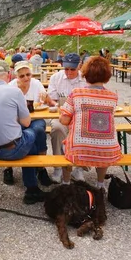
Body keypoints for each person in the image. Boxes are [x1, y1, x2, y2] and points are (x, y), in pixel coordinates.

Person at [0, 59, 48, 204]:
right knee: (36, 129)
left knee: (29, 140)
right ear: (9, 74)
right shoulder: (15, 92)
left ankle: (26, 180)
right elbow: (26, 122)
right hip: (12, 150)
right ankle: (33, 186)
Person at [59, 56, 122, 189]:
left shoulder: (76, 93)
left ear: (85, 74)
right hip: (107, 151)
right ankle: (100, 184)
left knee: (64, 146)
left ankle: (65, 183)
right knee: (102, 144)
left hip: (79, 150)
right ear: (107, 76)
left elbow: (64, 120)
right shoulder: (113, 96)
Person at [46, 53, 88, 183]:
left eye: (72, 69)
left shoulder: (86, 79)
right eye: (66, 69)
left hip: (79, 115)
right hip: (61, 114)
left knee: (86, 129)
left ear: (79, 66)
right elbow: (52, 100)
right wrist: (54, 103)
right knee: (58, 129)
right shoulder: (55, 77)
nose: (69, 72)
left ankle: (79, 167)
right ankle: (58, 167)